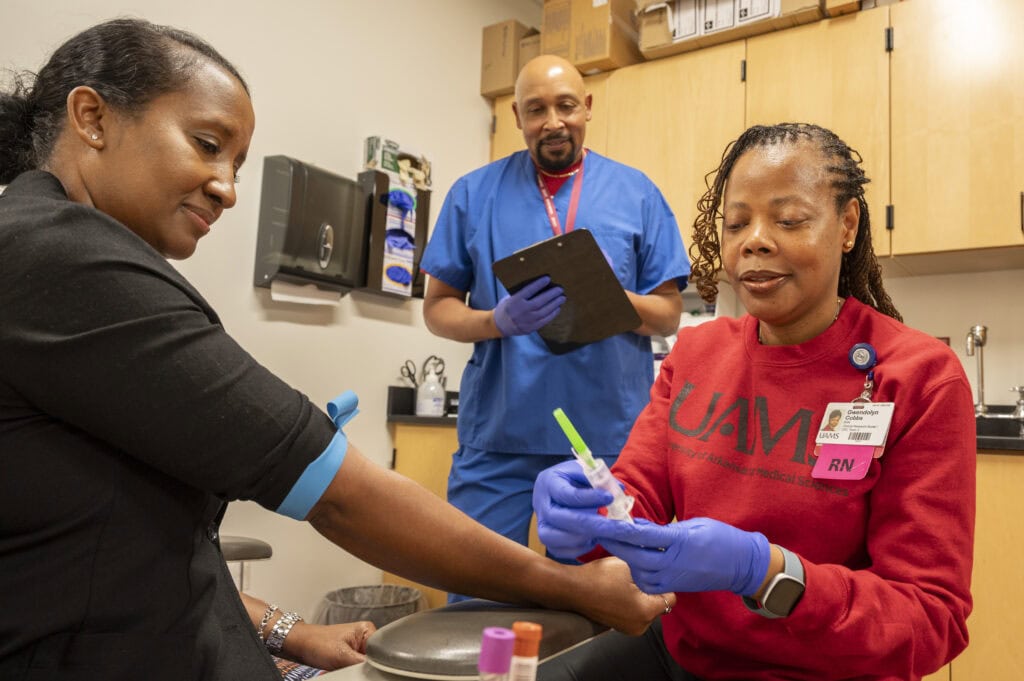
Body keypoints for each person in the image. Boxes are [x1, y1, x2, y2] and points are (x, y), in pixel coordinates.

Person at [0, 19, 673, 680]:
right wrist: (574, 587)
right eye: (206, 144)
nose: (229, 188)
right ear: (90, 117)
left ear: (587, 108)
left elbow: (146, 541)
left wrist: (290, 632)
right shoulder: (61, 259)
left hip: (602, 426)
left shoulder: (49, 244)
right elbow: (334, 490)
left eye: (234, 162)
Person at [532, 123, 976, 681]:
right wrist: (593, 515)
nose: (754, 240)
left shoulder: (918, 378)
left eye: (788, 220)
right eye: (736, 223)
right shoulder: (695, 353)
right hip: (687, 652)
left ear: (847, 225)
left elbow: (930, 619)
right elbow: (636, 497)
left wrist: (768, 573)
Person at [419, 55, 690, 600]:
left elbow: (668, 312)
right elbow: (437, 308)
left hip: (606, 440)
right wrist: (498, 320)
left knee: (601, 600)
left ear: (586, 108)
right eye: (536, 109)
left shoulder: (636, 193)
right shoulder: (473, 195)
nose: (553, 121)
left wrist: (610, 300)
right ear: (517, 115)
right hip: (500, 436)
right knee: (475, 595)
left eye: (566, 105)